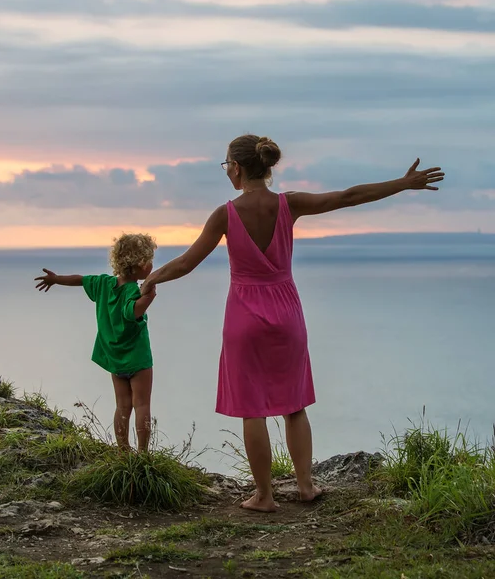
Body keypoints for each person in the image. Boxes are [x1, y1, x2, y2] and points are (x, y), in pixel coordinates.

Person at [140, 134, 444, 512]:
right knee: (294, 404)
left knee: (253, 408)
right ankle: (305, 485)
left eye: (226, 166)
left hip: (243, 314)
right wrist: (403, 183)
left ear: (236, 168)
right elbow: (347, 197)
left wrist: (153, 279)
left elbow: (186, 263)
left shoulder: (225, 214)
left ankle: (264, 496)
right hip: (286, 311)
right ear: (266, 165)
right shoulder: (289, 204)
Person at [34, 233, 158, 453]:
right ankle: (143, 452)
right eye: (150, 260)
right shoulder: (133, 291)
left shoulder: (103, 283)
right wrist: (148, 296)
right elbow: (132, 312)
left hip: (114, 358)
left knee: (122, 405)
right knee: (142, 405)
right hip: (137, 359)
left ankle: (122, 449)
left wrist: (56, 279)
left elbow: (80, 279)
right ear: (141, 264)